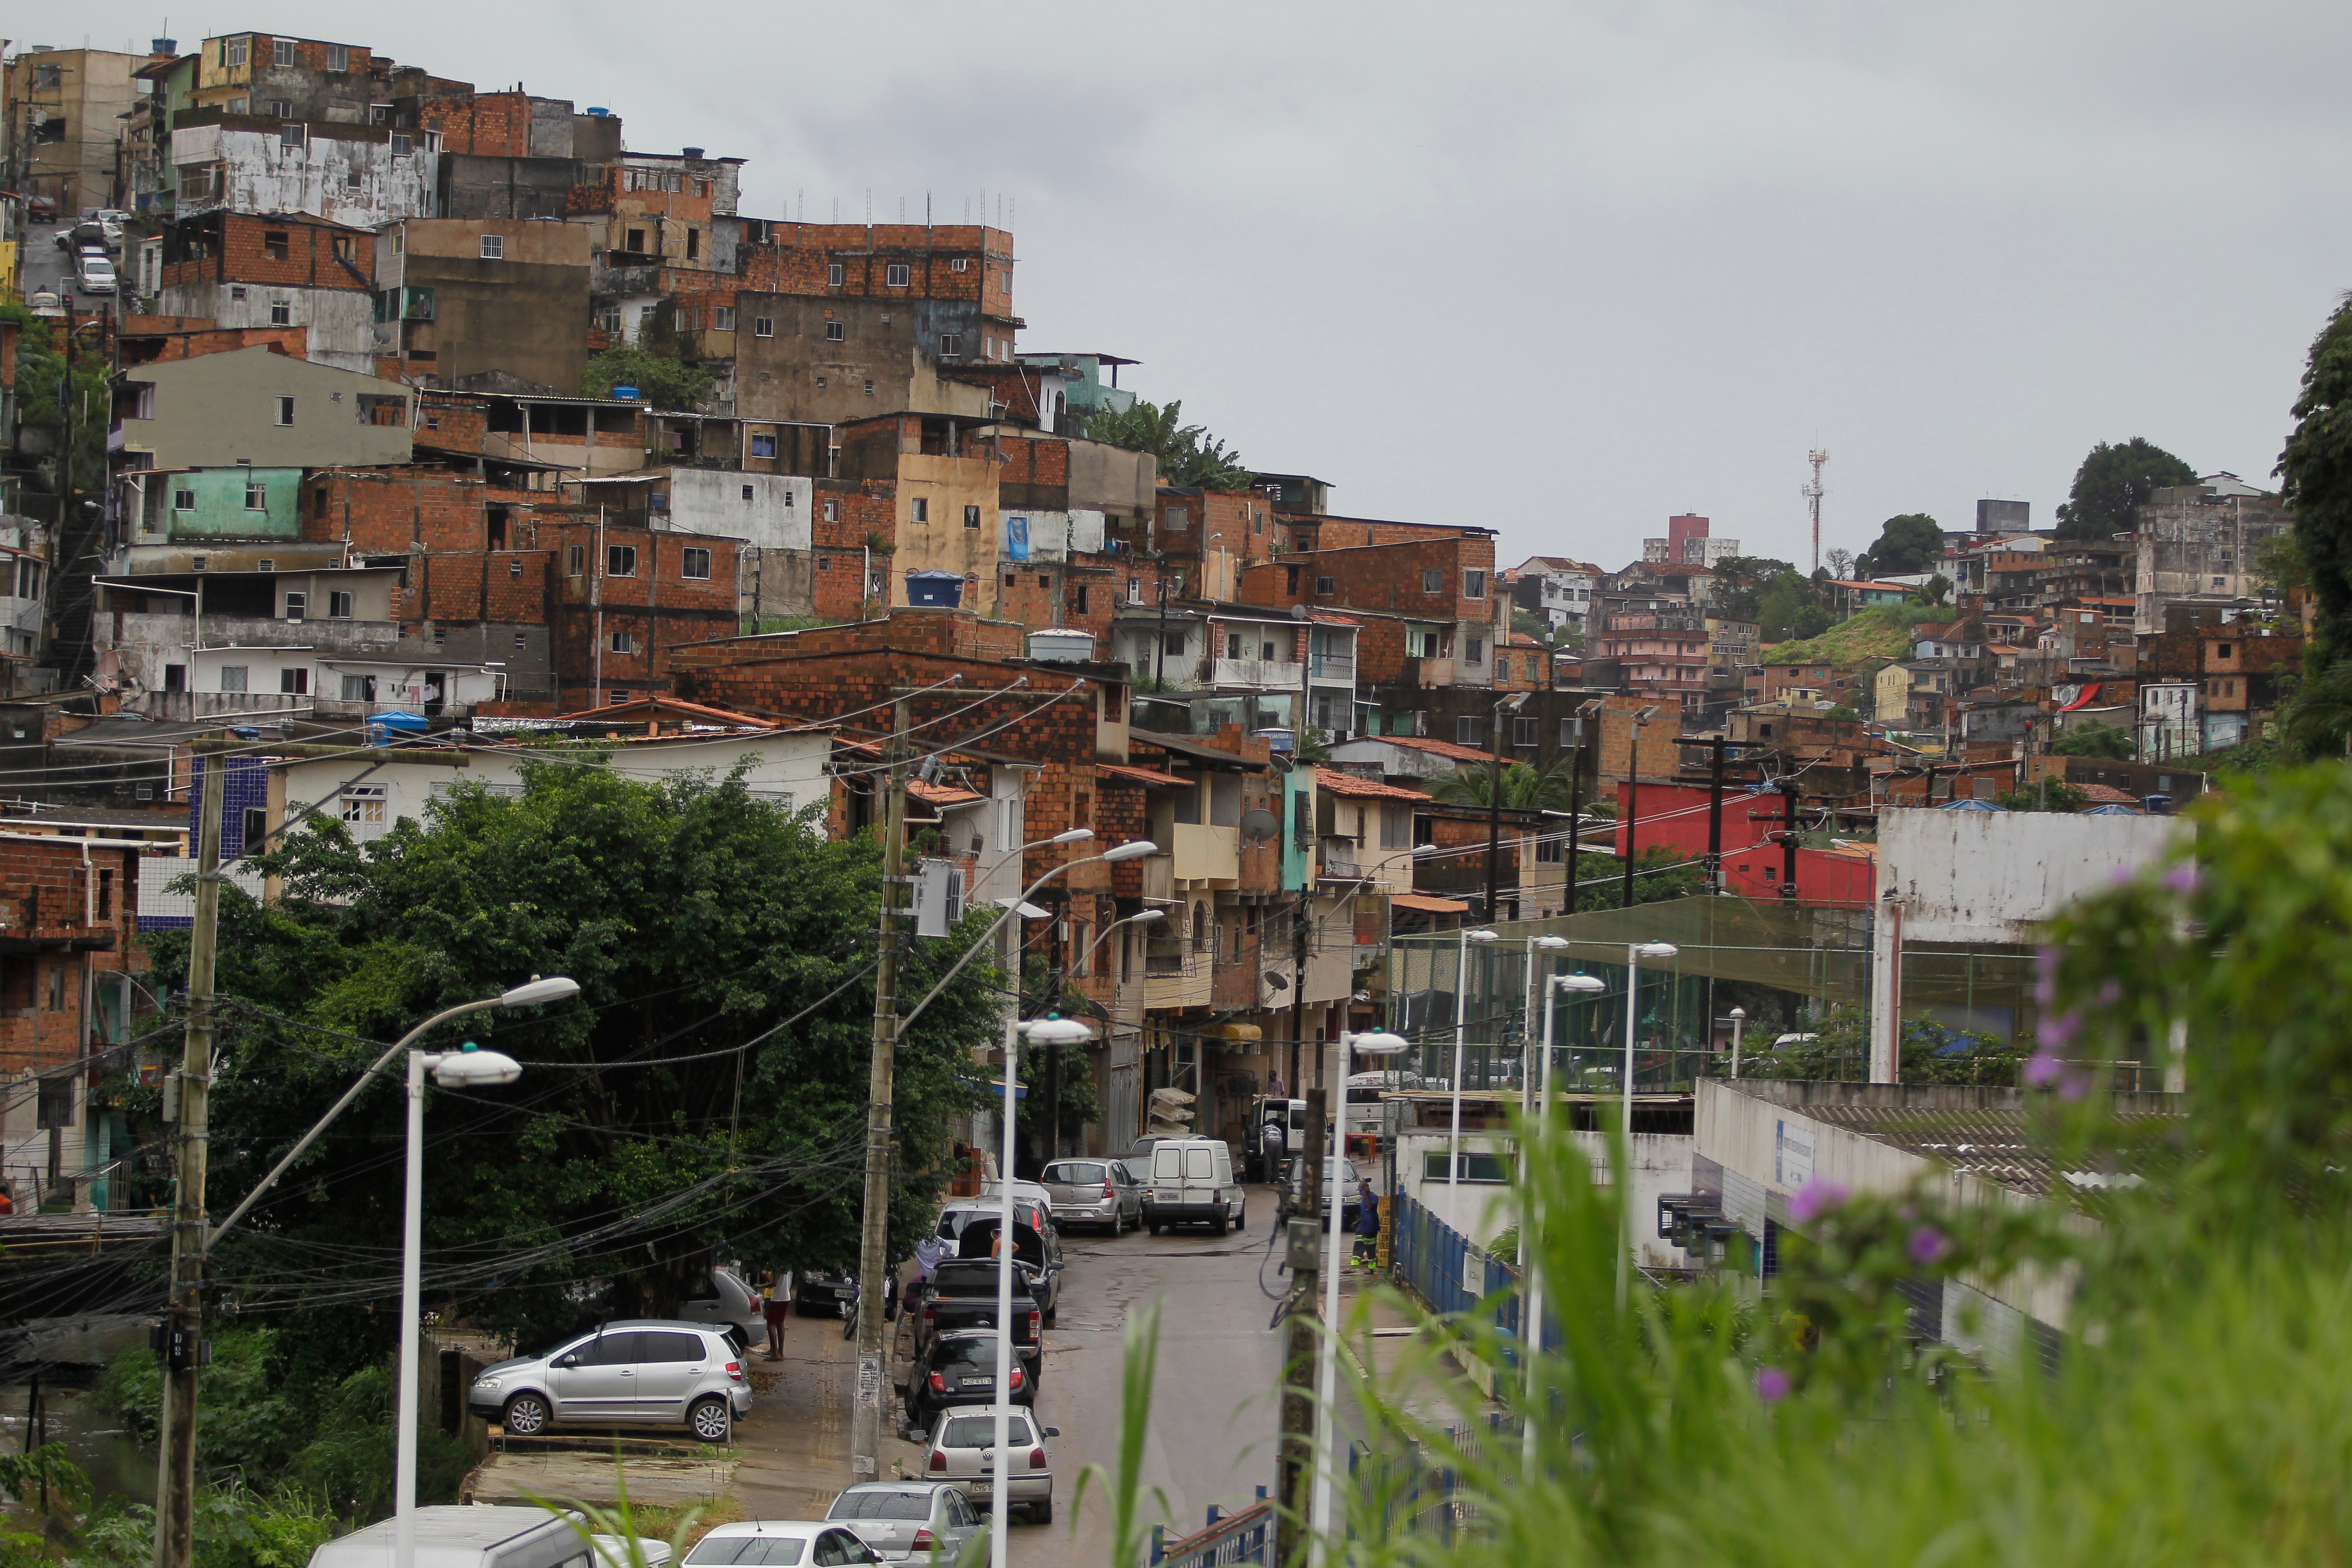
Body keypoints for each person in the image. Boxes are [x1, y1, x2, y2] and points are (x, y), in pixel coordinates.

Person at [763, 1268, 791, 1360]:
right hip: (786, 1296)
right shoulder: (786, 1265)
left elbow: (774, 1283)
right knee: (780, 1323)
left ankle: (775, 1354)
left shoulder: (776, 1265)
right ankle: (780, 1353)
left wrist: (759, 1286)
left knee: (770, 1324)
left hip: (777, 1298)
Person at [1352, 1180, 1381, 1268]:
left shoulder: (1373, 1197)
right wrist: (1357, 1222)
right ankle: (1355, 1263)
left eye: (1362, 1190)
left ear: (1366, 1189)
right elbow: (1364, 1212)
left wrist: (1366, 1194)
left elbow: (1370, 1207)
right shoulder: (1364, 1198)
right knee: (1358, 1242)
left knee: (1370, 1247)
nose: (1361, 1192)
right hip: (1363, 1226)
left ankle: (1371, 1268)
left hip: (1371, 1227)